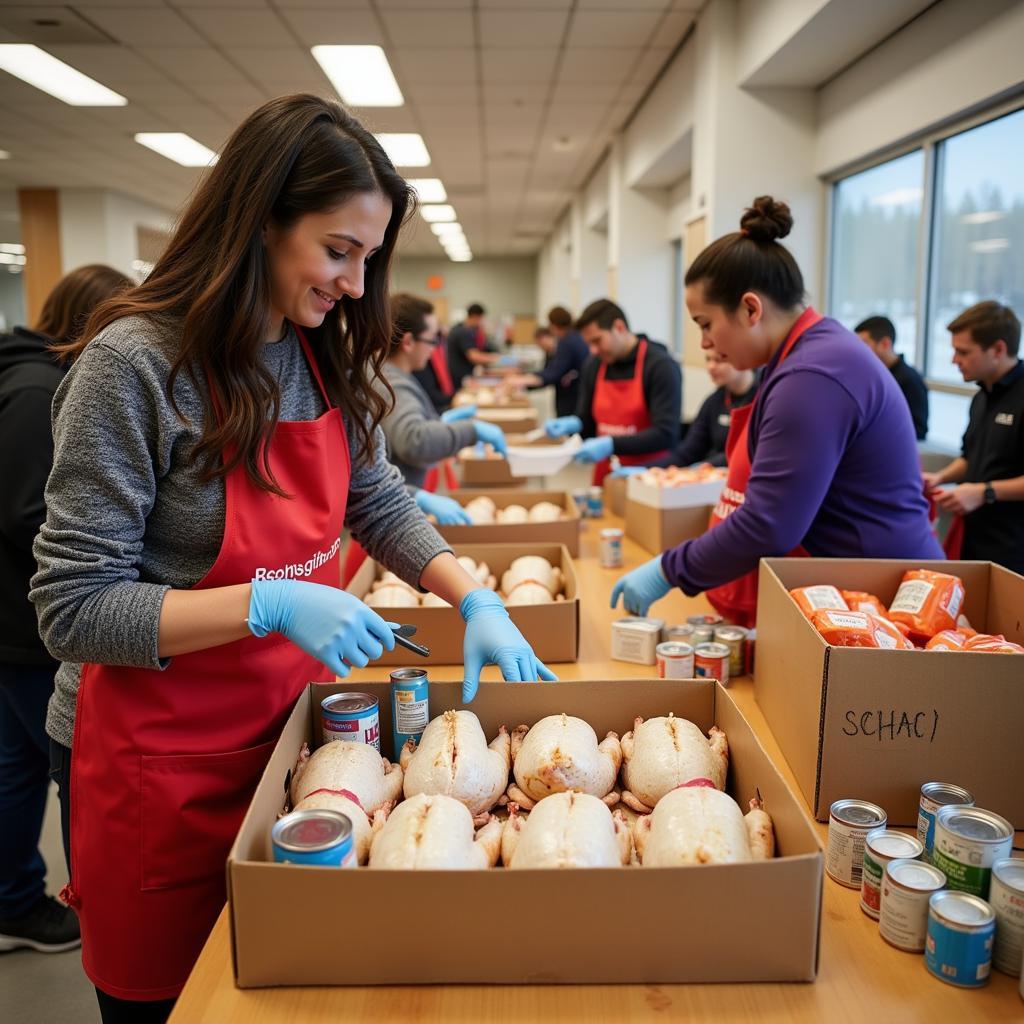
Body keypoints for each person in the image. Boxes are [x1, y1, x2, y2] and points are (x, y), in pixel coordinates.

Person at [29, 95, 553, 1023]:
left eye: (369, 258)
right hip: (159, 765)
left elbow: (379, 499)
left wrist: (472, 596)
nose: (356, 284)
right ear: (259, 223)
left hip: (294, 742)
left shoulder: (318, 356)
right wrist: (263, 601)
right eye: (338, 251)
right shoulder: (134, 368)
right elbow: (73, 607)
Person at [610, 196, 942, 628]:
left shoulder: (812, 377)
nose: (705, 344)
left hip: (889, 604)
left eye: (705, 324)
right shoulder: (804, 357)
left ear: (751, 308)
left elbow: (768, 524)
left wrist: (669, 569)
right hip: (857, 588)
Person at [0, 264, 132, 957]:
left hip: (19, 618)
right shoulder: (35, 391)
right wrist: (114, 569)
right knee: (41, 770)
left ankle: (13, 899)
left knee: (14, 768)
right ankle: (23, 902)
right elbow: (30, 514)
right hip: (27, 627)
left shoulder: (35, 378)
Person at [372, 293, 508, 523]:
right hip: (390, 514)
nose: (434, 349)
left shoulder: (388, 375)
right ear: (408, 342)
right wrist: (471, 431)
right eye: (431, 341)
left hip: (394, 505)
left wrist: (439, 424)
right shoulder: (392, 382)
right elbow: (413, 440)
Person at [923, 301, 1023, 574]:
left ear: (998, 349)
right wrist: (941, 477)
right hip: (974, 540)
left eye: (963, 352)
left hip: (1012, 549)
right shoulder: (981, 397)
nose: (954, 360)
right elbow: (972, 457)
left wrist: (984, 492)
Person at [543, 299, 681, 485]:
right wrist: (575, 423)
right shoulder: (594, 365)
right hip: (606, 474)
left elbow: (666, 434)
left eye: (597, 340)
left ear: (619, 327)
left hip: (648, 477)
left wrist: (611, 444)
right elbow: (588, 420)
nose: (593, 350)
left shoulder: (660, 367)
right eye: (589, 343)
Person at [613, 350, 757, 473]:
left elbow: (749, 450)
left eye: (719, 360)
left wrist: (709, 466)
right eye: (708, 359)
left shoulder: (763, 399)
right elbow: (685, 454)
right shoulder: (714, 401)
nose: (711, 366)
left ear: (742, 357)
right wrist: (645, 470)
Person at [855, 315, 929, 440]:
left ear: (885, 344)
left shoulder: (910, 379)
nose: (858, 350)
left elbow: (919, 430)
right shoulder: (874, 374)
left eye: (864, 344)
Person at [508, 306, 590, 418]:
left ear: (553, 325)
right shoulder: (575, 337)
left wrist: (523, 380)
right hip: (576, 393)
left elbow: (553, 373)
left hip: (572, 397)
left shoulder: (567, 341)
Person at [446, 302, 501, 389]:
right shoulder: (463, 332)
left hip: (460, 374)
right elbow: (474, 356)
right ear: (476, 317)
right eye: (481, 319)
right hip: (460, 377)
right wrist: (496, 358)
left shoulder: (461, 328)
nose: (481, 322)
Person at [412, 323, 455, 414]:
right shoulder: (419, 366)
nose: (432, 349)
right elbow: (431, 396)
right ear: (408, 342)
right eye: (431, 341)